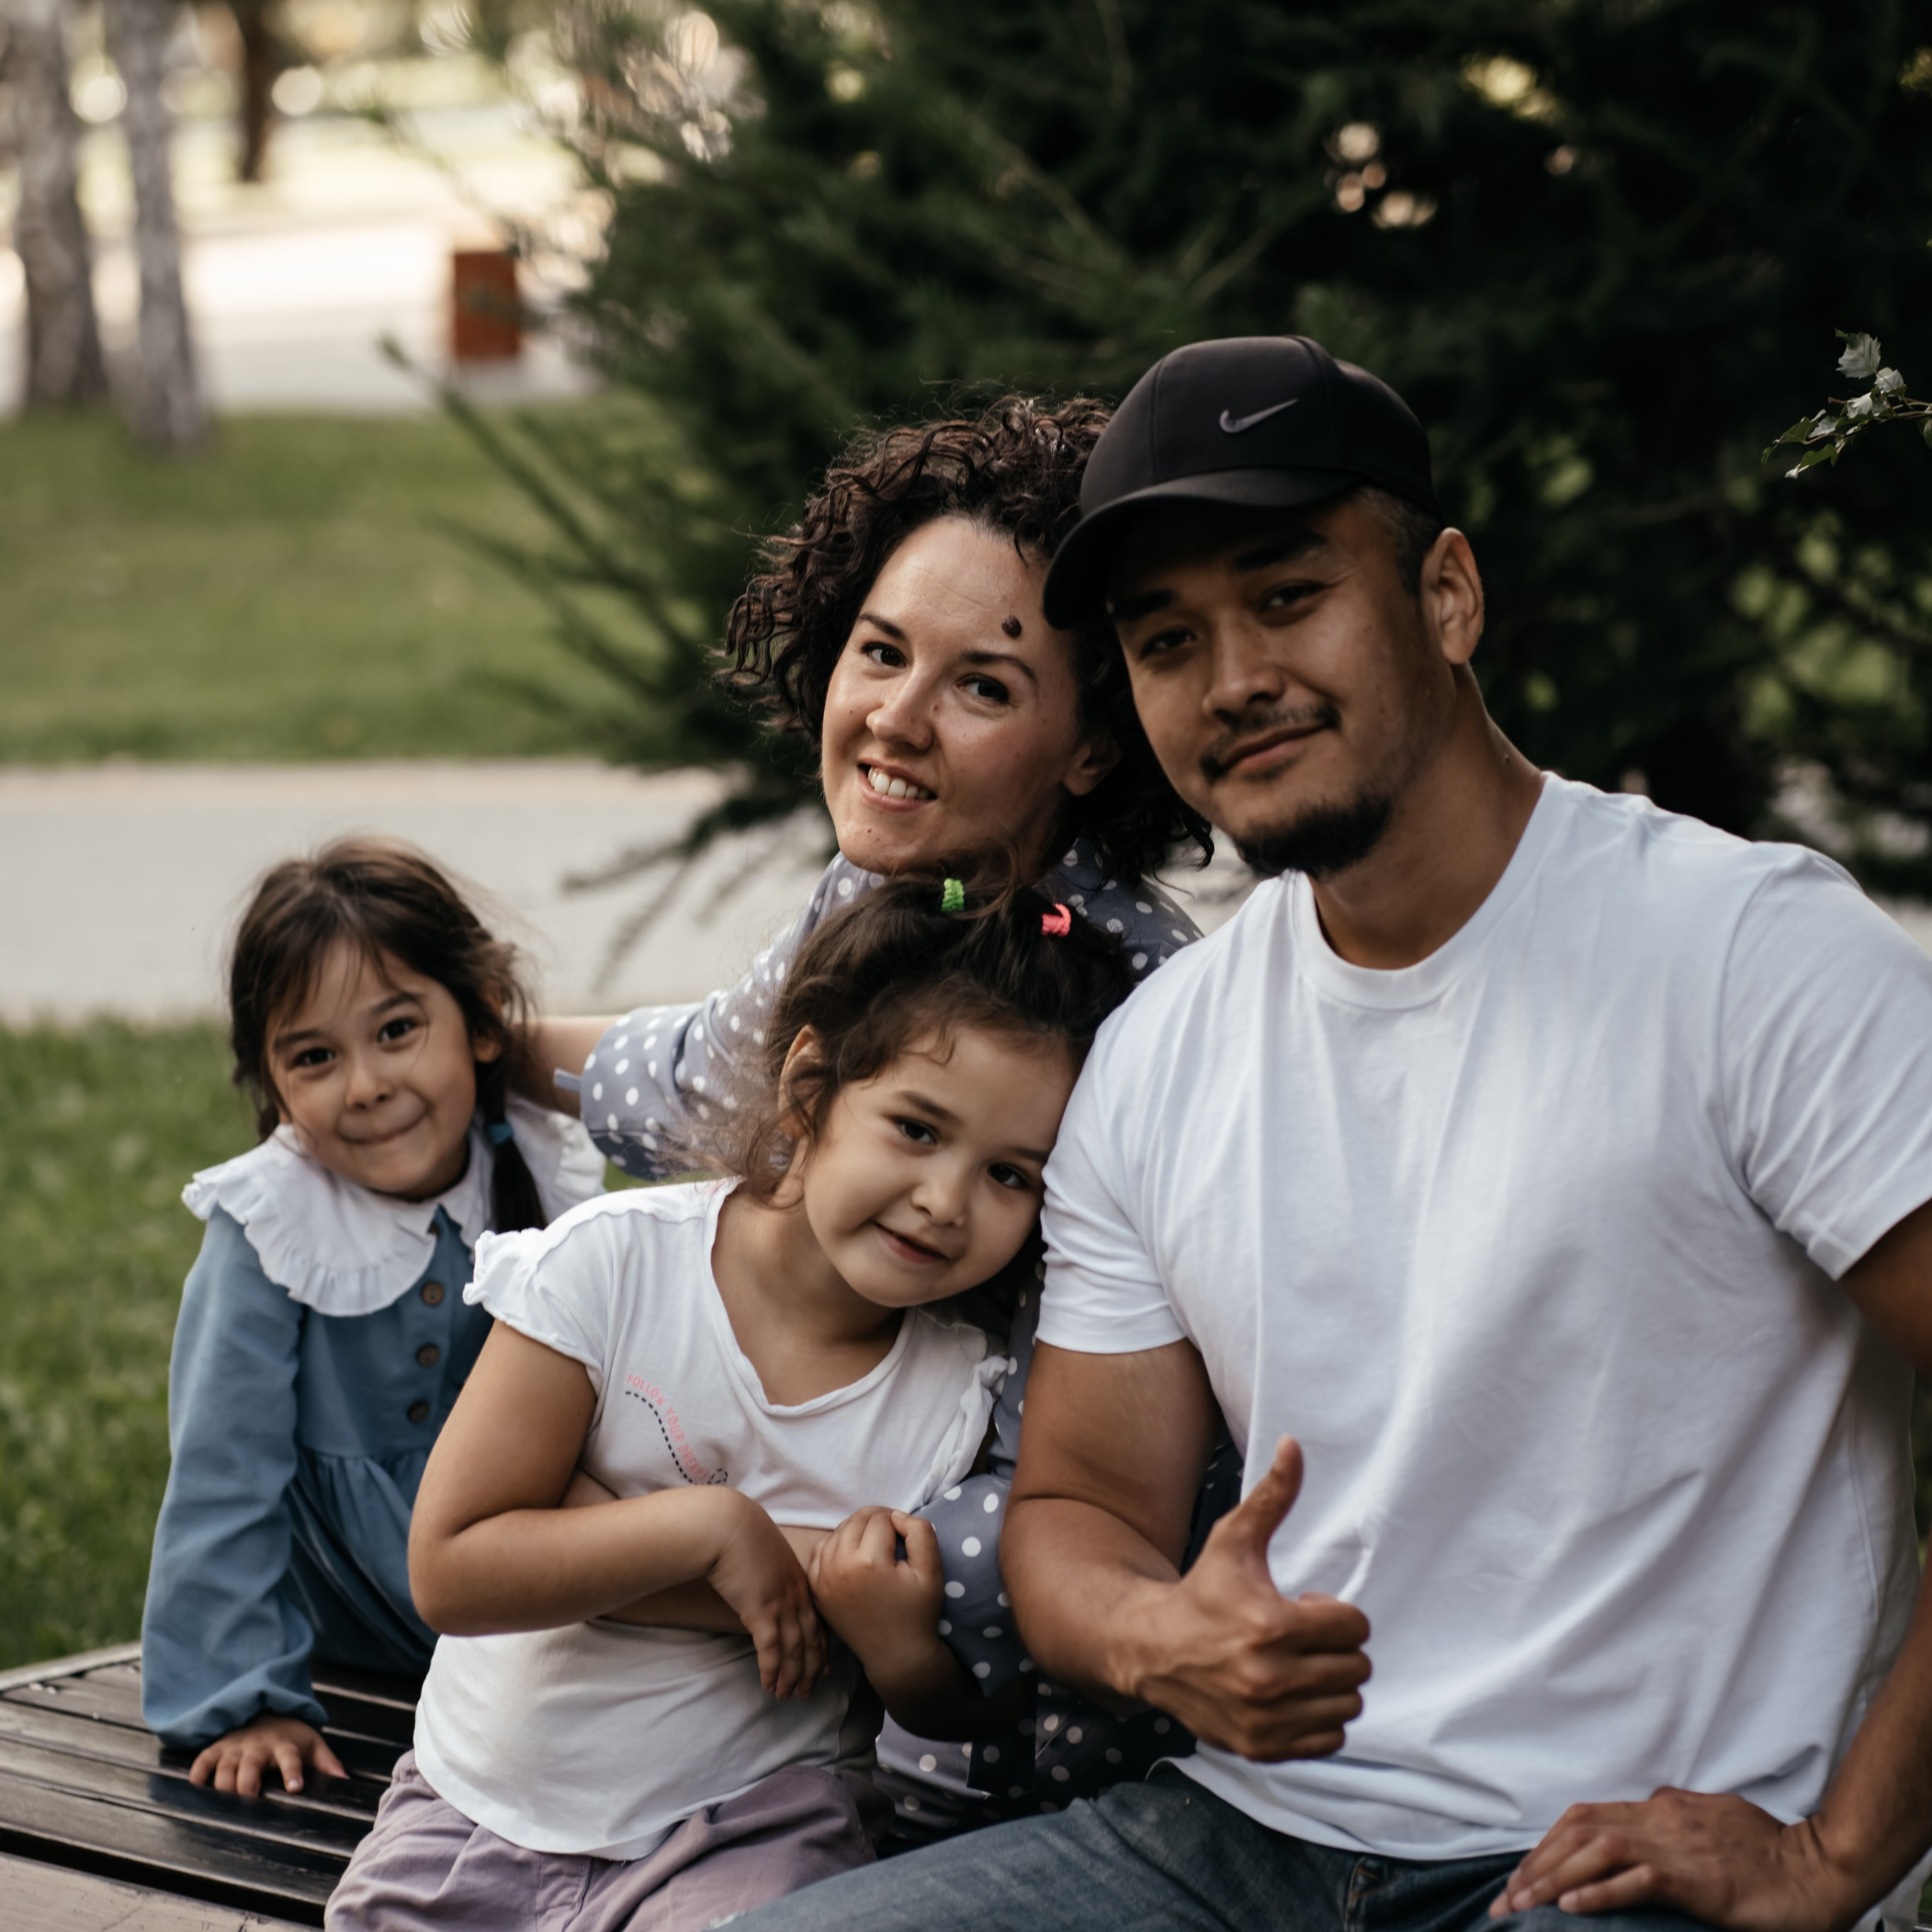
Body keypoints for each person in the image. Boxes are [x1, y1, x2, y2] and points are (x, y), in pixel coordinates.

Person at [731, 334, 1932, 1932]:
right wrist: (1159, 1639)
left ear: (1444, 595)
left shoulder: (1747, 956)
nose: (1230, 678)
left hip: (1609, 1863)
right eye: (1166, 639)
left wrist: (1840, 1849)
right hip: (1241, 1835)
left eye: (1286, 596)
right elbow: (1081, 1510)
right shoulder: (1163, 1052)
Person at [522, 395, 1233, 1830]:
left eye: (982, 686)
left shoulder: (1138, 1018)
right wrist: (479, 1039)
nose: (895, 720)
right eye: (882, 653)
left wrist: (617, 1538)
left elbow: (1067, 1512)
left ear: (1092, 747)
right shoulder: (887, 892)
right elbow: (708, 1082)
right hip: (791, 1719)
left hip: (1033, 1767)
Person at [325, 878, 1137, 1932]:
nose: (947, 1201)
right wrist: (713, 1530)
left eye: (1012, 1175)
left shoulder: (960, 1390)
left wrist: (894, 1648)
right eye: (916, 1127)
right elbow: (454, 1566)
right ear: (810, 1092)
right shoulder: (613, 1272)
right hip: (479, 1812)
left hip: (751, 1833)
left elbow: (961, 1707)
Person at [141, 839, 605, 1798]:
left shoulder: (534, 1163)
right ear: (274, 1087)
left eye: (397, 1031)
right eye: (315, 1056)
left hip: (517, 1562)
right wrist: (242, 1698)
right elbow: (224, 1476)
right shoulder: (272, 1231)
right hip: (369, 1597)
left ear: (480, 1023)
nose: (364, 1084)